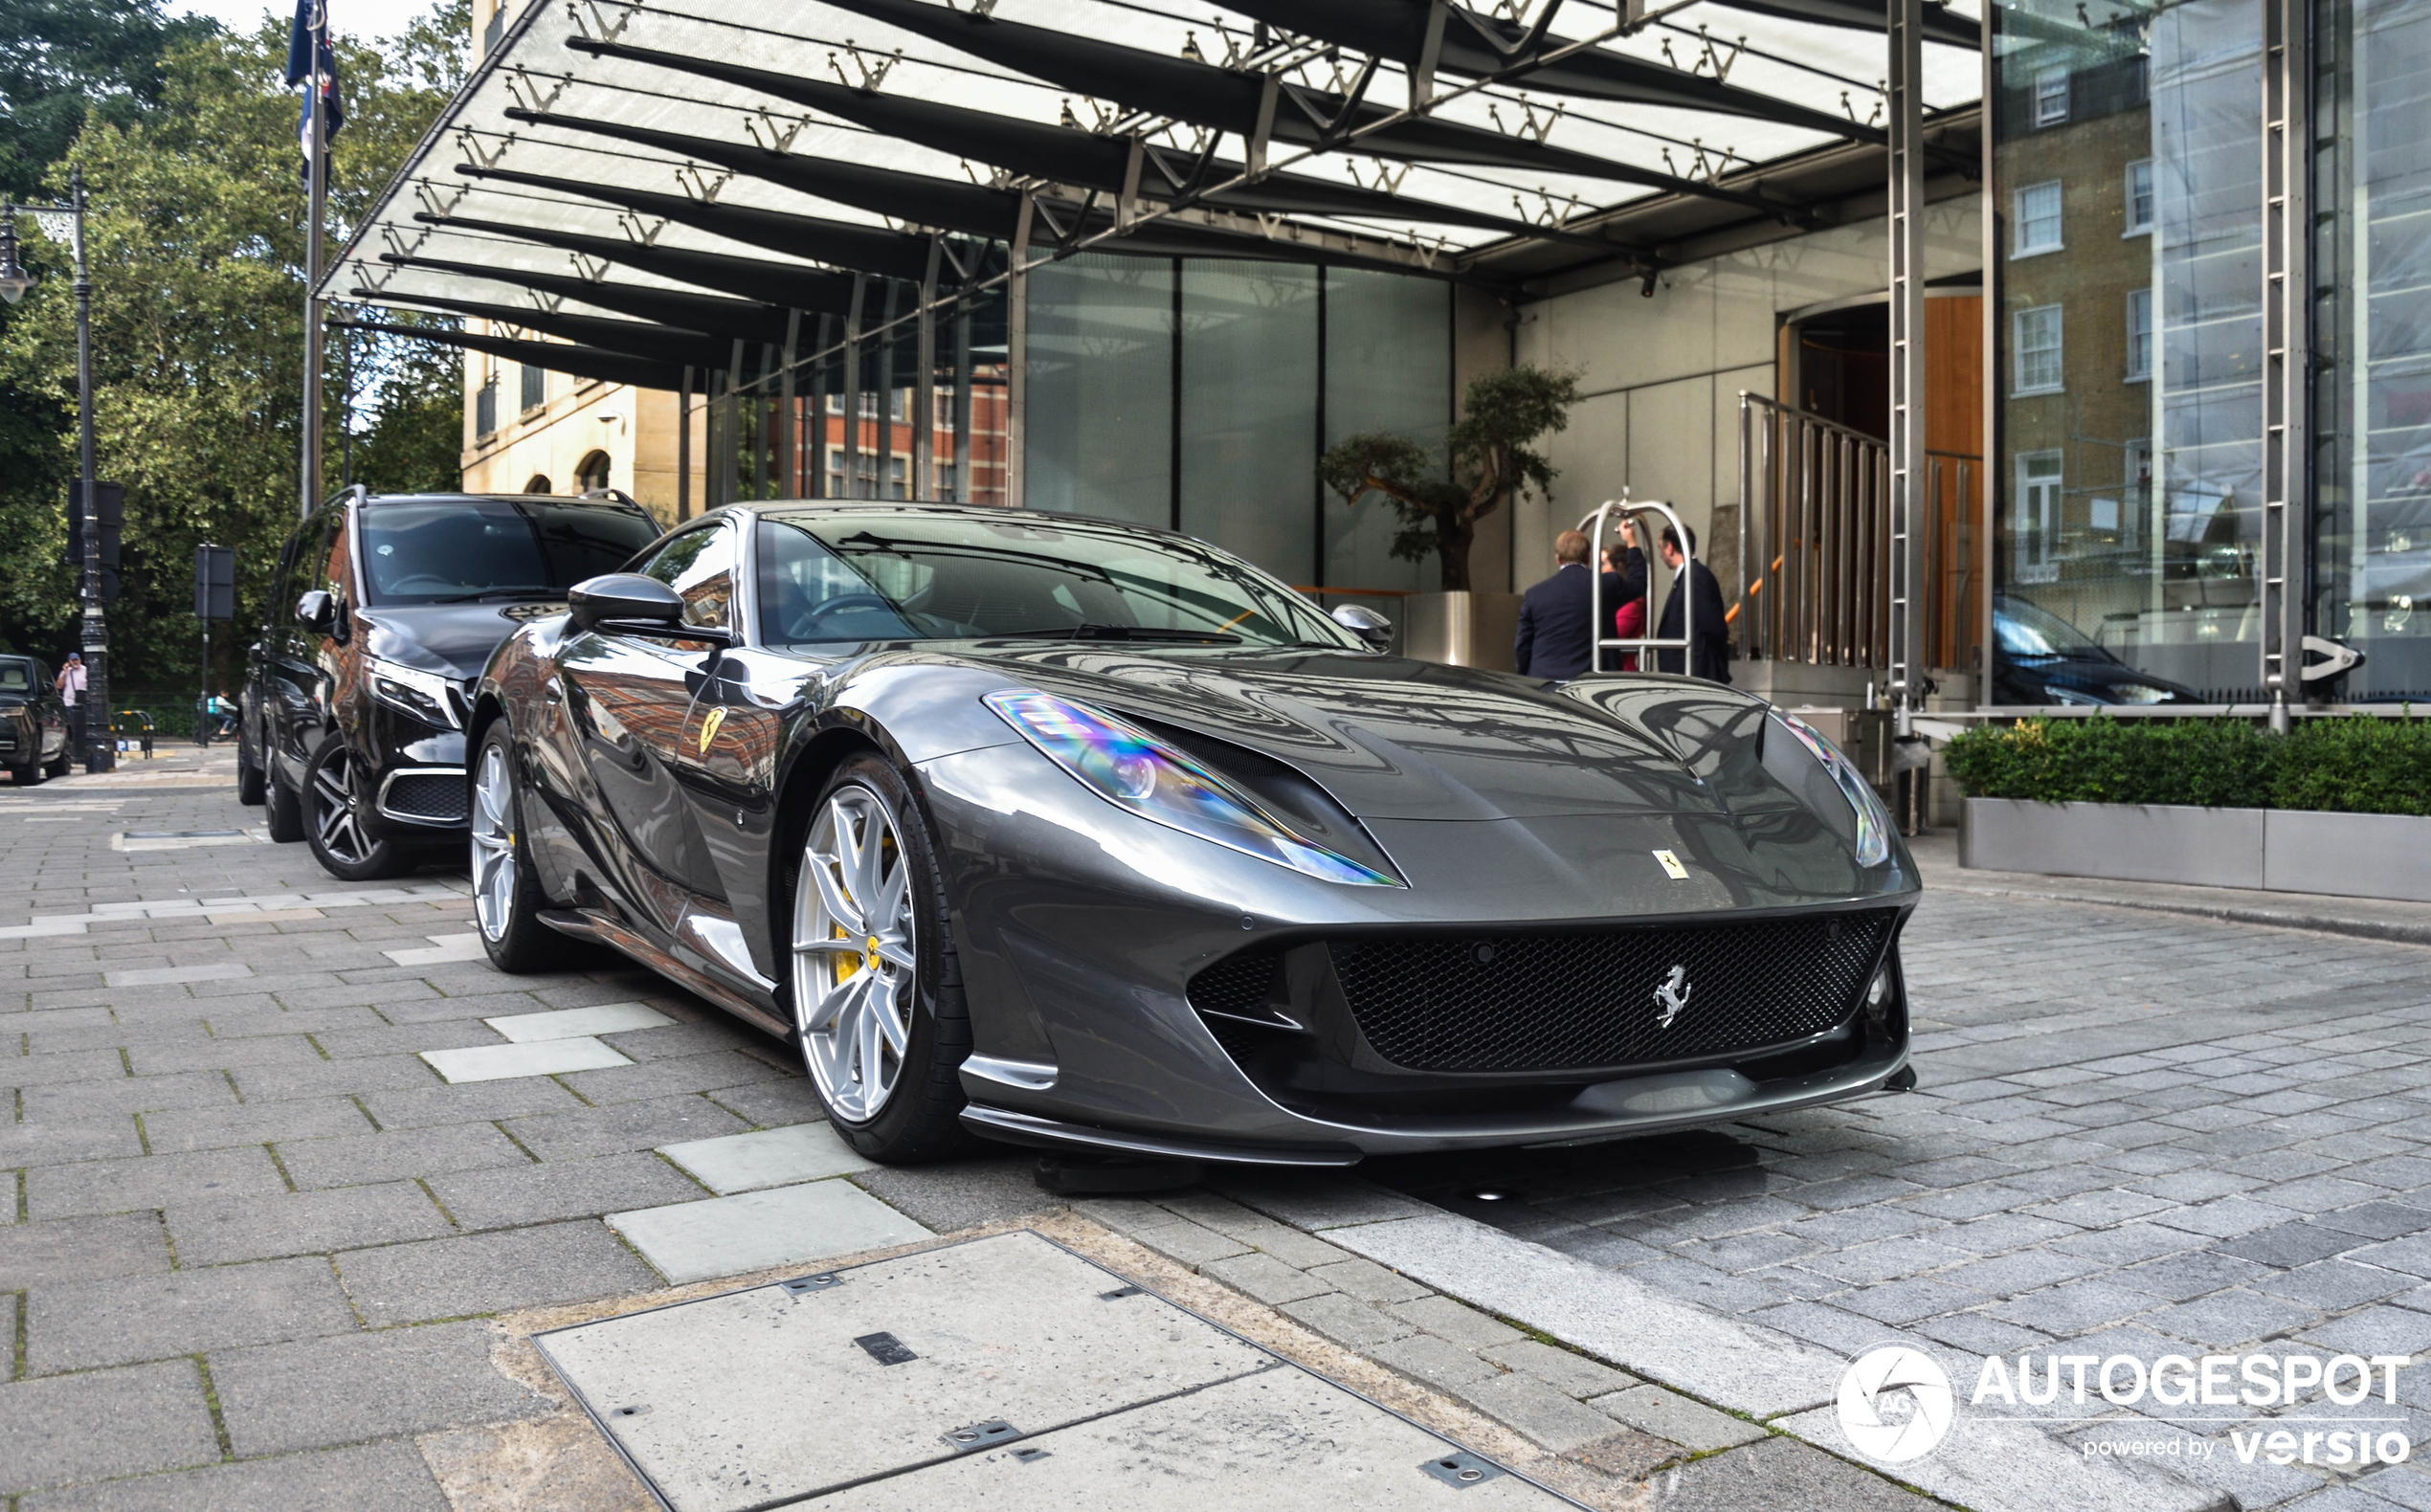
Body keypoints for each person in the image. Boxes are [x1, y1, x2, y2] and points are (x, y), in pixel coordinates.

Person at [1513, 529, 1614, 680]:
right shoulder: (1603, 585)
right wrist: (1632, 544)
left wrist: (1523, 677)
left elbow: (1523, 644)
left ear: (1558, 559)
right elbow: (1638, 584)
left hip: (1542, 679)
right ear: (1588, 556)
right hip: (1585, 681)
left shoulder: (1534, 594)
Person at [1653, 524, 1732, 682]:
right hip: (1689, 671)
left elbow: (1713, 627)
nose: (1661, 555)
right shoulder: (1689, 576)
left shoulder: (1696, 576)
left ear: (1669, 548)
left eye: (1660, 548)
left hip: (1696, 672)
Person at [56, 653, 85, 755]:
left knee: (81, 728)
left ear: (80, 660)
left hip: (81, 703)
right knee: (70, 728)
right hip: (68, 703)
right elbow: (59, 686)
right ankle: (71, 751)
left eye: (77, 660)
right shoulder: (66, 672)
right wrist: (64, 673)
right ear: (69, 662)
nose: (75, 662)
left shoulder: (85, 670)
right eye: (73, 660)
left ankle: (80, 751)